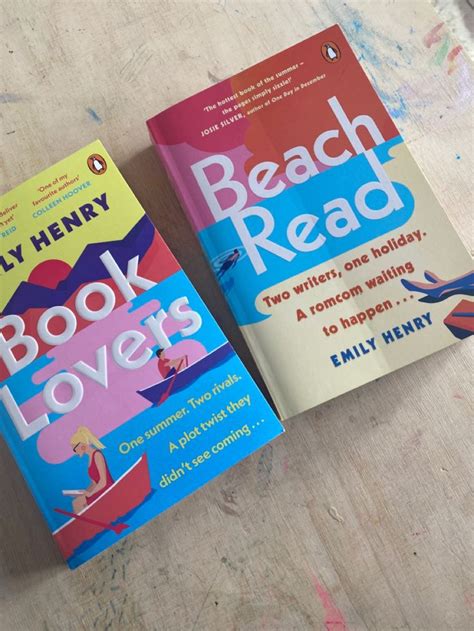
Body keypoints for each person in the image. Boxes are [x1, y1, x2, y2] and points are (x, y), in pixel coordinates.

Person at [69, 426, 114, 513]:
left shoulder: (97, 455)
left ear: (82, 445)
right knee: (76, 501)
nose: (75, 453)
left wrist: (90, 494)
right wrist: (83, 492)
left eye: (74, 449)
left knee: (77, 503)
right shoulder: (90, 457)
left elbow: (103, 481)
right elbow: (94, 483)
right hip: (98, 489)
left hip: (106, 489)